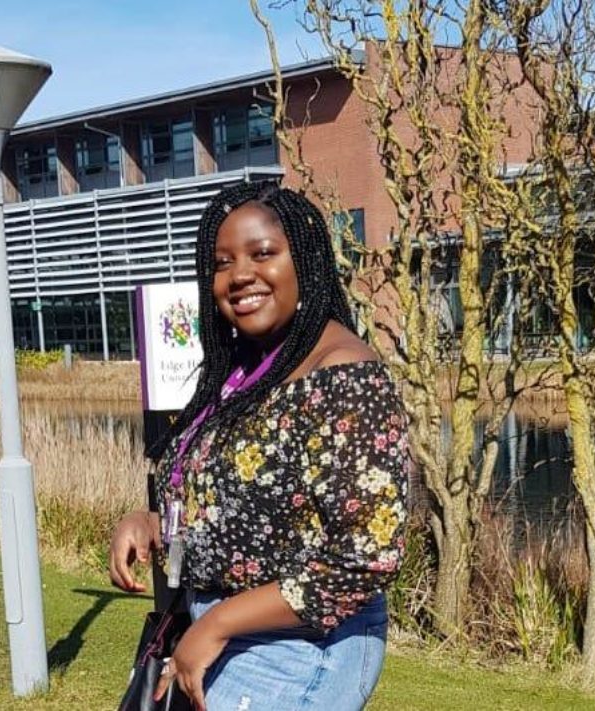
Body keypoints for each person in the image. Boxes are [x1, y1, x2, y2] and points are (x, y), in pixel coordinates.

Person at [108, 181, 411, 711]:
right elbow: (243, 510)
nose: (240, 274)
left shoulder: (343, 376)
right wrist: (155, 523)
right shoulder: (250, 371)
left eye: (262, 253)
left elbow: (367, 557)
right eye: (222, 262)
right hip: (226, 634)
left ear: (306, 259)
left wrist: (219, 624)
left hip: (300, 648)